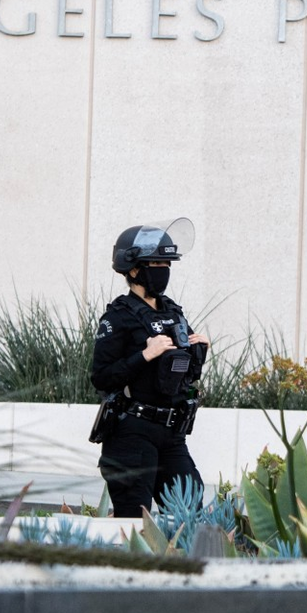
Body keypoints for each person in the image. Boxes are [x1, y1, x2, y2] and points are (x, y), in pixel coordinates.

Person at [87, 218, 210, 518]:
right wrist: (144, 355)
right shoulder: (118, 317)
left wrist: (200, 351)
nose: (162, 269)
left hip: (171, 433)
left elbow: (183, 376)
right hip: (132, 435)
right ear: (132, 269)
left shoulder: (173, 312)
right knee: (133, 519)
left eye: (166, 263)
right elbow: (101, 377)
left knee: (188, 514)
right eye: (154, 262)